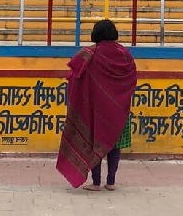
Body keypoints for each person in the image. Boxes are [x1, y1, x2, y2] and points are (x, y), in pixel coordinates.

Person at [56, 18, 137, 191]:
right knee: (114, 145)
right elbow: (132, 80)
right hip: (119, 111)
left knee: (95, 144)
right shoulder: (125, 54)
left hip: (95, 110)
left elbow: (74, 75)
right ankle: (111, 182)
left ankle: (96, 182)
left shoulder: (89, 54)